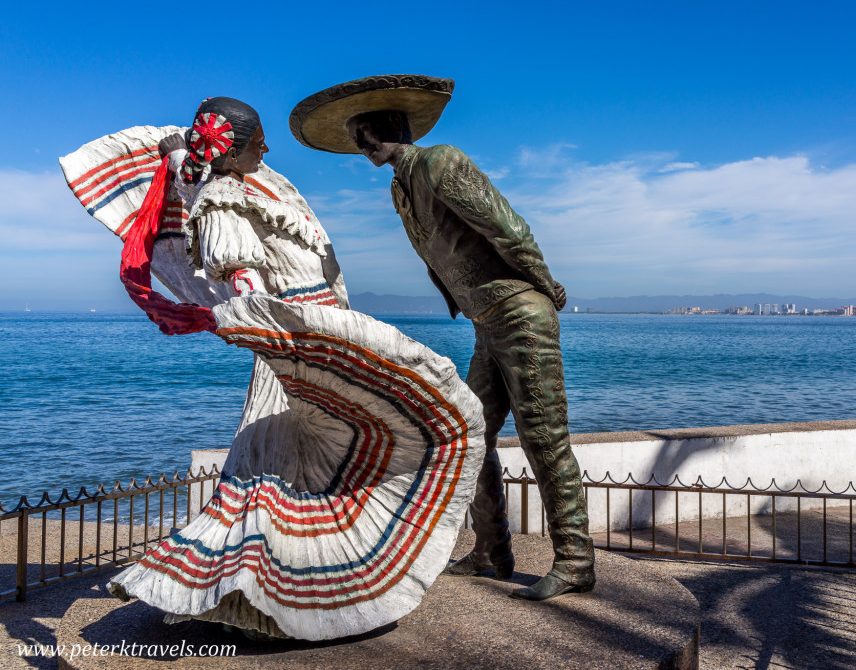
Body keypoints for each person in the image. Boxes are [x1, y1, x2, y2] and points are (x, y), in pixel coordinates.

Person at [59, 97, 485, 640]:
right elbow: (247, 288)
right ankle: (261, 592)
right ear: (232, 150)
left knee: (299, 466)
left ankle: (276, 597)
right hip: (300, 342)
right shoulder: (219, 203)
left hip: (319, 331)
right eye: (257, 138)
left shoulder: (256, 185)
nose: (267, 145)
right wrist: (288, 343)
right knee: (279, 468)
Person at [289, 75, 596, 601]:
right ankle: (491, 551)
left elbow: (508, 228)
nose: (361, 145)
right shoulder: (399, 187)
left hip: (520, 312)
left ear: (391, 127)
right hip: (486, 321)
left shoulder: (441, 162)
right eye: (356, 136)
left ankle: (575, 560)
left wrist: (545, 284)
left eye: (365, 133)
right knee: (468, 435)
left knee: (543, 438)